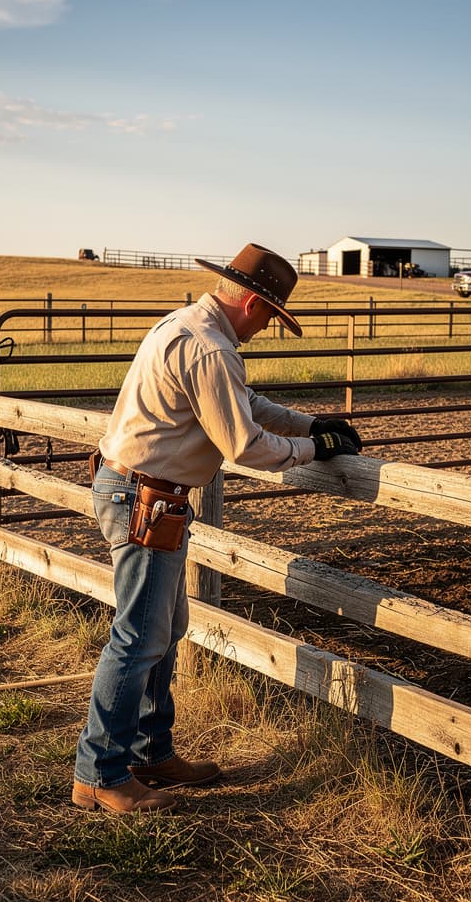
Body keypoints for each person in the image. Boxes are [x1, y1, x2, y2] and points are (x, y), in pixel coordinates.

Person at [72, 243, 362, 814]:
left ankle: (151, 752)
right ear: (254, 304)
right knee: (138, 638)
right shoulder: (210, 350)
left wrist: (308, 421)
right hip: (147, 498)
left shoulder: (187, 326)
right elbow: (245, 443)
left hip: (145, 492)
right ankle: (100, 772)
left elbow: (242, 402)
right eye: (271, 320)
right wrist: (312, 446)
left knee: (163, 628)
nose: (267, 331)